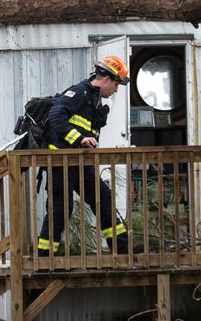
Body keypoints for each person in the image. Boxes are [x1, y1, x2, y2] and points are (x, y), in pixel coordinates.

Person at [37, 55, 131, 257]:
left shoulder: (93, 99)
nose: (116, 90)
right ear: (106, 80)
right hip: (60, 160)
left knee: (102, 198)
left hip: (80, 161)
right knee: (61, 207)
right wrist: (79, 139)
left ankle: (122, 248)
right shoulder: (79, 92)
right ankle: (44, 255)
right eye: (116, 85)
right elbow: (55, 116)